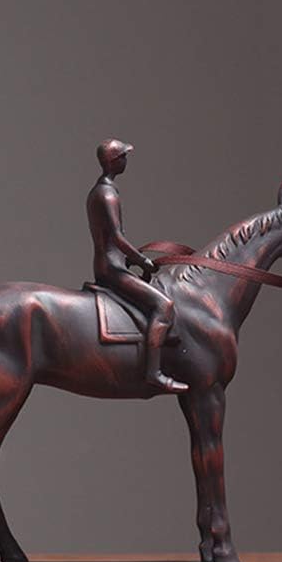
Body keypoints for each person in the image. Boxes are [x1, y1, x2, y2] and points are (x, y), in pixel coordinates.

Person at [86, 139, 187, 393]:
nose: (126, 161)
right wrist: (142, 261)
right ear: (113, 162)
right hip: (112, 269)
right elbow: (117, 238)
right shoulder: (108, 194)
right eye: (123, 157)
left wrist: (131, 258)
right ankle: (154, 373)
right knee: (164, 306)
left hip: (110, 263)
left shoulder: (99, 192)